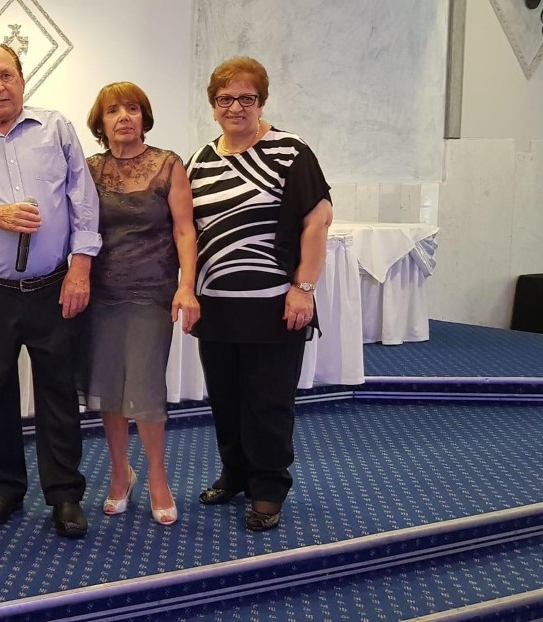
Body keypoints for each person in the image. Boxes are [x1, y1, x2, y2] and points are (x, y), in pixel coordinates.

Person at [0, 44, 100, 539]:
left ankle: (65, 494)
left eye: (5, 75)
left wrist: (80, 268)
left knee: (58, 392)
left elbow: (83, 202)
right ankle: (4, 488)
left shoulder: (55, 128)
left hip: (54, 286)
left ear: (23, 80)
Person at [186, 56, 333, 531]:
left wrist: (303, 288)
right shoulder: (199, 160)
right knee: (226, 400)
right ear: (213, 105)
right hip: (217, 306)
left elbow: (318, 220)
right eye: (225, 98)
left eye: (246, 98)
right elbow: (187, 231)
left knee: (268, 403)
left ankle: (268, 487)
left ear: (261, 102)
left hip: (274, 305)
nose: (235, 107)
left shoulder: (291, 152)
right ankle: (235, 473)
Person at [83, 82, 199, 526]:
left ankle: (157, 477)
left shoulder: (169, 165)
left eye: (132, 108)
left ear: (144, 117)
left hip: (153, 292)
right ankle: (120, 474)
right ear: (101, 122)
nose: (124, 117)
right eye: (113, 110)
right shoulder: (91, 169)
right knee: (110, 387)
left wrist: (186, 286)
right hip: (102, 294)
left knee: (147, 388)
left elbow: (185, 231)